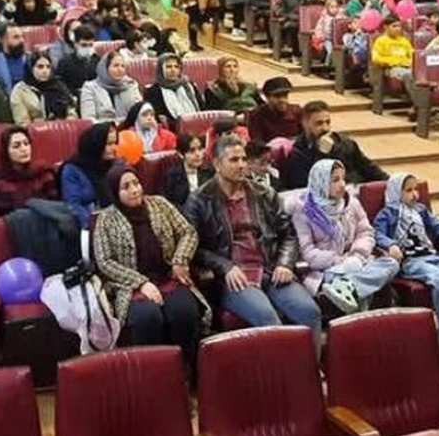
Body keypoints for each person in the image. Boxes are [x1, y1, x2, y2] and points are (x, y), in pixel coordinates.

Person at [185, 135, 321, 343]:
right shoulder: (200, 200)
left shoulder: (264, 193)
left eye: (243, 159)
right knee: (269, 320)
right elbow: (193, 248)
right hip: (234, 276)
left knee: (309, 312)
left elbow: (288, 235)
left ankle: (309, 364)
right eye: (234, 160)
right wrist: (225, 267)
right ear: (217, 164)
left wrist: (285, 263)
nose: (242, 165)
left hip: (269, 269)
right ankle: (286, 365)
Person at [93, 165, 206, 370]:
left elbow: (188, 232)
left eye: (136, 183)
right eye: (126, 187)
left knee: (184, 312)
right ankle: (151, 375)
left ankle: (184, 371)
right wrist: (141, 283)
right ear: (115, 192)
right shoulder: (106, 219)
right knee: (148, 318)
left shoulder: (159, 204)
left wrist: (180, 260)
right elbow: (105, 261)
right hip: (131, 286)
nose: (134, 190)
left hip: (167, 277)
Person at [289, 159, 397, 314]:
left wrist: (357, 255)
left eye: (343, 179)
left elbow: (366, 232)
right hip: (325, 270)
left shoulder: (352, 203)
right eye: (335, 180)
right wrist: (339, 260)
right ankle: (352, 292)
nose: (342, 185)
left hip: (357, 259)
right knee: (354, 269)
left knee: (391, 264)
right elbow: (307, 252)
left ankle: (348, 286)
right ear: (320, 182)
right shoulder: (303, 211)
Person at [373, 173, 439, 321]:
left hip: (432, 256)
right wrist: (391, 244)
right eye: (409, 190)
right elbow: (377, 234)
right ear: (396, 192)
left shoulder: (420, 209)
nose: (415, 194)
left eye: (416, 189)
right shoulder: (387, 213)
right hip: (411, 261)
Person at [281, 101, 387, 189]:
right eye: (319, 123)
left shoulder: (345, 142)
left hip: (355, 190)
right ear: (305, 124)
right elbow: (308, 186)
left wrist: (389, 182)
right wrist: (322, 154)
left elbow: (368, 167)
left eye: (328, 122)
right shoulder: (298, 153)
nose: (325, 128)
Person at [0, 127, 59, 226]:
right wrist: (1, 224)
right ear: (6, 151)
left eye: (26, 144)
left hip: (40, 227)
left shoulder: (43, 173)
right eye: (16, 146)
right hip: (5, 229)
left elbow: (56, 207)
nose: (24, 149)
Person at [60, 121, 117, 229]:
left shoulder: (115, 164)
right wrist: (96, 227)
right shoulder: (71, 170)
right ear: (96, 145)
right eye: (109, 144)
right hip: (90, 226)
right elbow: (73, 206)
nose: (114, 148)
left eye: (115, 143)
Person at [9, 51, 75, 125]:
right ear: (31, 68)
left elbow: (71, 111)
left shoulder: (59, 86)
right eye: (40, 67)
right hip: (34, 130)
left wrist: (68, 120)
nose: (45, 71)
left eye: (48, 67)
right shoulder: (20, 90)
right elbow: (22, 123)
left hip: (61, 128)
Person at [144, 53, 203, 129]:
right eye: (168, 67)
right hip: (171, 129)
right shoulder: (153, 91)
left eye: (176, 67)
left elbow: (202, 108)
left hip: (197, 124)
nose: (173, 70)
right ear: (161, 69)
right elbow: (156, 117)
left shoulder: (188, 85)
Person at [80, 51, 143, 122]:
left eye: (122, 66)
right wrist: (111, 125)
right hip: (102, 127)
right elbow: (88, 120)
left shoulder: (131, 85)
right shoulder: (90, 87)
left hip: (128, 127)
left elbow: (140, 114)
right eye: (116, 66)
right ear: (105, 68)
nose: (120, 69)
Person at [246, 76, 302, 144]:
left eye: (285, 95)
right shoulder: (257, 115)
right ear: (267, 97)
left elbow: (306, 136)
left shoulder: (297, 111)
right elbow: (257, 142)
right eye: (277, 96)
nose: (282, 100)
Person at [162, 133, 211, 209]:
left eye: (200, 149)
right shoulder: (171, 176)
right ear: (180, 154)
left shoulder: (209, 172)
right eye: (192, 151)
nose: (198, 154)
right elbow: (165, 204)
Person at [0, 25, 26, 94]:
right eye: (16, 37)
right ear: (1, 39)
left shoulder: (29, 59)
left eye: (22, 36)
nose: (22, 40)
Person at [56, 25, 100, 93]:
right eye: (84, 45)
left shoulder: (98, 62)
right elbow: (59, 83)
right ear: (75, 44)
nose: (88, 48)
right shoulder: (64, 63)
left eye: (90, 45)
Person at [371, 15, 415, 81]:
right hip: (391, 69)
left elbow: (412, 55)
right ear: (386, 27)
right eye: (394, 26)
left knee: (416, 74)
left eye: (399, 26)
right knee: (408, 75)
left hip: (407, 67)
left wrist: (409, 62)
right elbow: (375, 58)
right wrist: (393, 61)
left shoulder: (404, 41)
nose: (398, 29)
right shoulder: (380, 41)